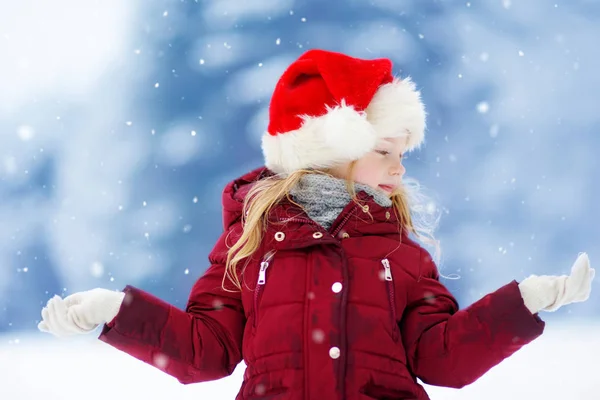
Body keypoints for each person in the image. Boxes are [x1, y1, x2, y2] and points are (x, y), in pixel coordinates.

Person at [38, 49, 594, 400]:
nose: (400, 166)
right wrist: (116, 311)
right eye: (384, 149)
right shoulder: (247, 245)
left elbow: (442, 360)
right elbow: (205, 353)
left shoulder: (403, 254)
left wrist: (522, 302)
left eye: (404, 151)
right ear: (332, 150)